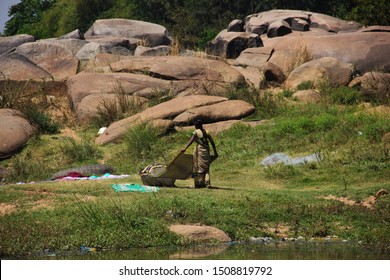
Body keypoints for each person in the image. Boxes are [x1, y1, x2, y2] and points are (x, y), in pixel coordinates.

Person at [181, 119, 218, 188]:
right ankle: (207, 183)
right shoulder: (206, 131)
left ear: (196, 125)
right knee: (206, 167)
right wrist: (215, 151)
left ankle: (199, 183)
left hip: (200, 151)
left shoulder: (196, 132)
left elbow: (191, 141)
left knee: (198, 167)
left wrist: (185, 148)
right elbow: (212, 142)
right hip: (206, 150)